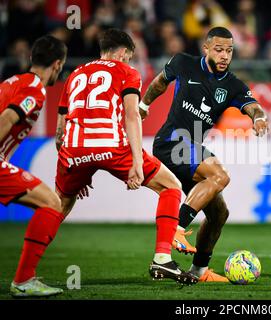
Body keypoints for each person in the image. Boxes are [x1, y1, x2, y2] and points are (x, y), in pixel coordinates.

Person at [54, 29, 198, 286]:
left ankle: (25, 271)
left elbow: (59, 131)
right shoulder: (126, 72)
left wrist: (80, 169)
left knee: (57, 207)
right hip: (112, 145)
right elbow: (132, 116)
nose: (129, 61)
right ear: (123, 52)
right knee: (171, 187)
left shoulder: (75, 74)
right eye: (129, 57)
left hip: (73, 149)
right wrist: (135, 162)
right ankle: (162, 260)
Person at [139, 27, 269, 282]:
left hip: (189, 153)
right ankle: (176, 228)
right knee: (219, 175)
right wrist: (143, 105)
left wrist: (260, 117)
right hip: (170, 143)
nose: (224, 56)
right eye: (219, 50)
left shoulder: (233, 85)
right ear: (206, 48)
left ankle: (198, 271)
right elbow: (159, 83)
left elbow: (253, 106)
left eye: (229, 51)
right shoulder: (183, 63)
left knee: (219, 214)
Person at [0, 35, 67, 297]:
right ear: (58, 65)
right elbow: (7, 117)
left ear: (31, 58)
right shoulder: (35, 89)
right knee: (51, 202)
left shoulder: (12, 82)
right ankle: (24, 280)